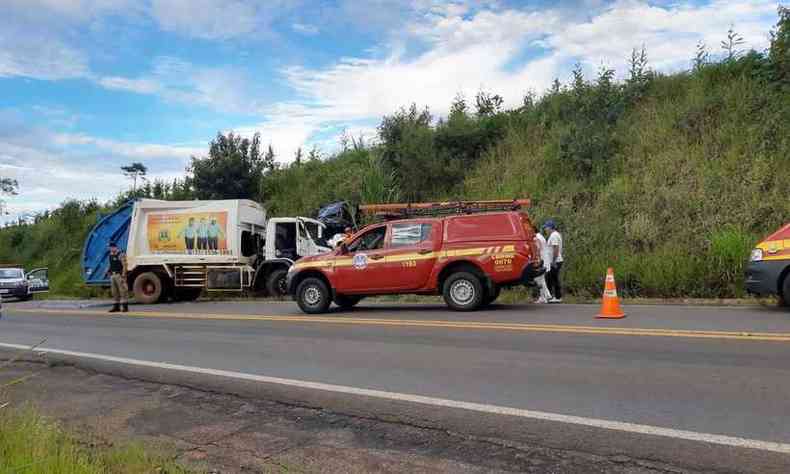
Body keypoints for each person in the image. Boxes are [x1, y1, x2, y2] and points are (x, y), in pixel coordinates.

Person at [543, 220, 564, 303]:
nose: (545, 229)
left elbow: (556, 248)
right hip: (555, 260)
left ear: (550, 227)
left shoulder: (554, 235)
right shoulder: (555, 234)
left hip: (555, 261)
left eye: (546, 227)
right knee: (550, 278)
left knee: (554, 279)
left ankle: (558, 297)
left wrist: (553, 261)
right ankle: (551, 296)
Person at [532, 224, 553, 303]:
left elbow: (538, 247)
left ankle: (546, 296)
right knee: (541, 279)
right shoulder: (540, 236)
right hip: (545, 260)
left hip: (541, 261)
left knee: (539, 279)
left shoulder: (536, 237)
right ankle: (544, 297)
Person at [105, 241, 128, 313]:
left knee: (122, 291)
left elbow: (124, 265)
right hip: (113, 275)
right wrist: (107, 271)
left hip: (119, 275)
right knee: (114, 291)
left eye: (111, 247)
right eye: (109, 248)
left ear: (114, 247)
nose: (110, 249)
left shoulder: (120, 254)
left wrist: (123, 275)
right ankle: (116, 306)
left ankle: (125, 306)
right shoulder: (110, 255)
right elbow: (110, 264)